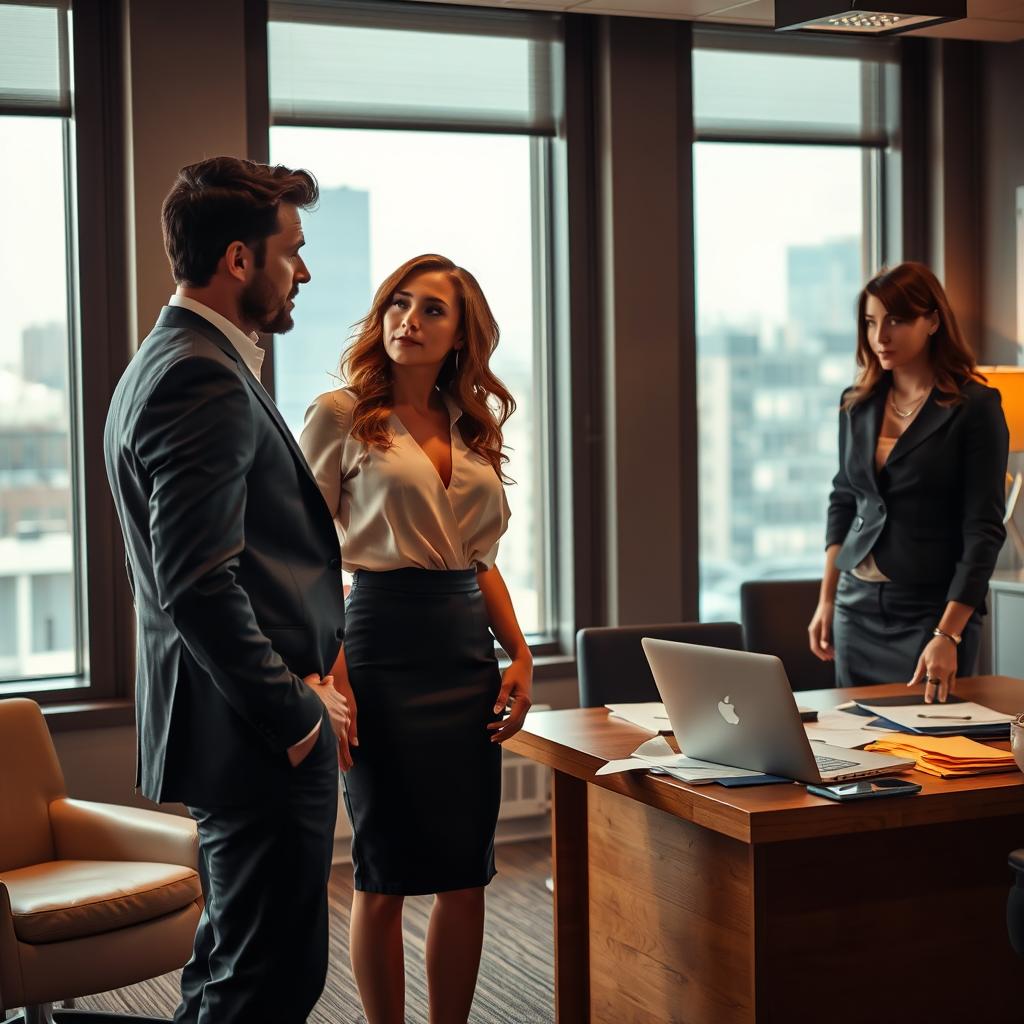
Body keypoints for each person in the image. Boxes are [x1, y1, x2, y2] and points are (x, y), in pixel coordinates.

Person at [103, 156, 352, 1023]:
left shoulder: (174, 357)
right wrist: (296, 718)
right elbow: (199, 584)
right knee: (266, 984)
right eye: (294, 250)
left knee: (233, 971)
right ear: (241, 260)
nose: (304, 271)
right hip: (254, 737)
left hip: (232, 733)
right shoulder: (198, 373)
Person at [299, 253, 533, 1024]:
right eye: (399, 304)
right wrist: (332, 678)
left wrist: (521, 656)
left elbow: (479, 561)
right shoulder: (340, 415)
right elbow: (305, 554)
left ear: (462, 335)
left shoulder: (472, 425)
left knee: (467, 873)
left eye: (433, 309)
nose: (410, 320)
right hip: (378, 650)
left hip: (466, 656)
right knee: (383, 872)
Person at [808, 261, 1008, 703]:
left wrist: (948, 635)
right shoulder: (856, 403)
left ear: (933, 320)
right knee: (859, 751)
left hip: (930, 613)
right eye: (870, 322)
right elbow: (844, 500)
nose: (880, 337)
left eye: (896, 321)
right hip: (854, 607)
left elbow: (984, 531)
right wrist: (826, 599)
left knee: (930, 754)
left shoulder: (974, 407)